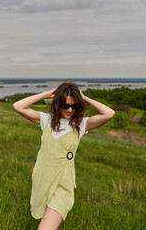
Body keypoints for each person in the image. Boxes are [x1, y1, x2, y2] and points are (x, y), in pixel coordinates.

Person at [13, 82, 115, 230]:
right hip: (43, 180)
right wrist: (47, 94)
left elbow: (109, 113)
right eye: (65, 105)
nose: (69, 109)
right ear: (57, 103)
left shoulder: (81, 124)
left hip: (63, 185)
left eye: (74, 106)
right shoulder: (45, 120)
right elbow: (18, 106)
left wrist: (84, 97)